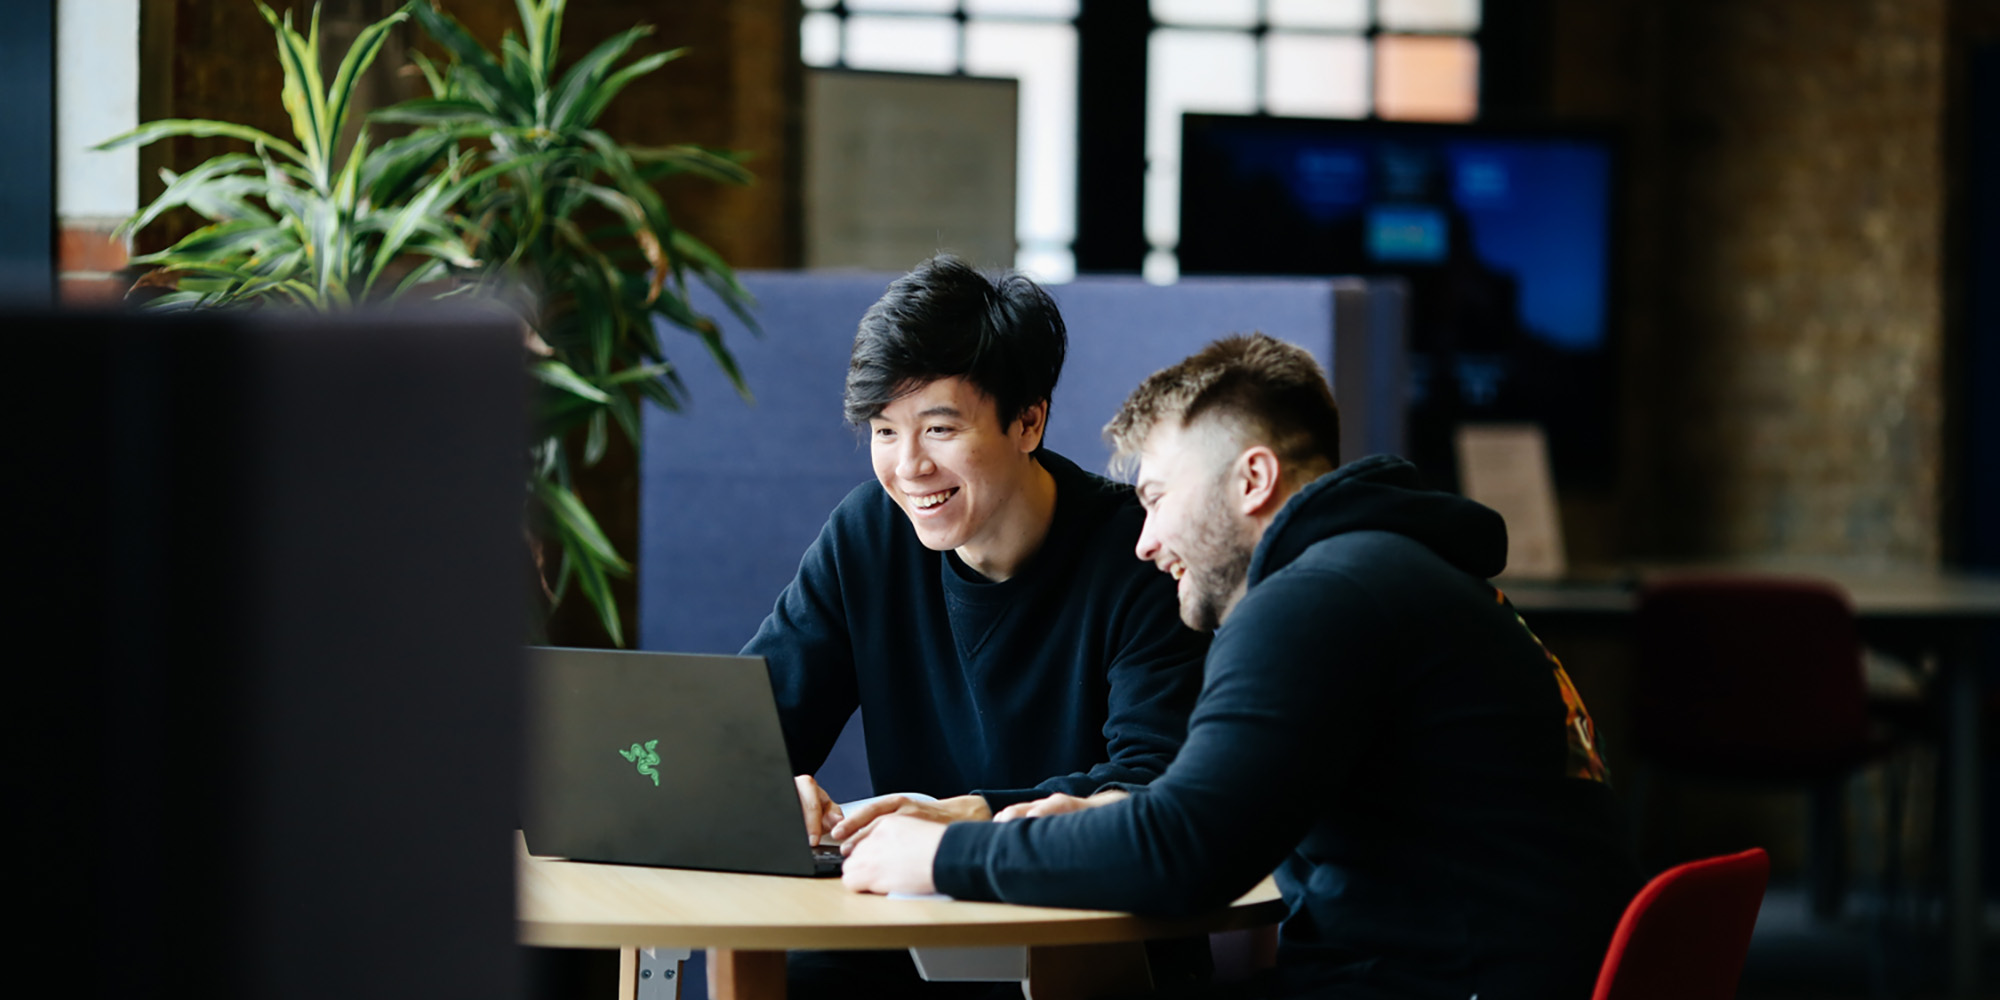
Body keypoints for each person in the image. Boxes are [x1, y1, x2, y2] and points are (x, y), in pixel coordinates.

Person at [841, 334, 1639, 1000]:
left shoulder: (1319, 598)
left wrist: (937, 856)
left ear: (1253, 480)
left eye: (1155, 498)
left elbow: (1182, 856)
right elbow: (1213, 818)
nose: (1145, 542)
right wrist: (1103, 818)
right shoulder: (1389, 575)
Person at [743, 255, 1211, 995]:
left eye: (938, 428)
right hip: (916, 924)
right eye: (884, 431)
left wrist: (975, 814)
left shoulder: (1140, 557)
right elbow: (750, 726)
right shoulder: (870, 535)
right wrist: (762, 785)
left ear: (1028, 420)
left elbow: (1154, 785)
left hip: (1092, 934)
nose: (908, 466)